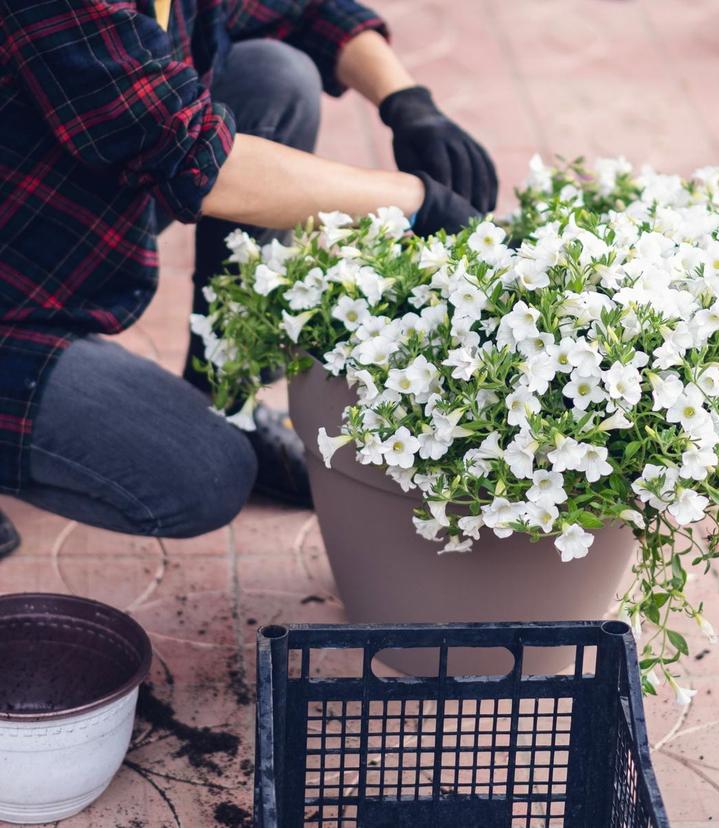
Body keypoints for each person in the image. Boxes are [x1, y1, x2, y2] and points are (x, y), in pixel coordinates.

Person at [0, 0, 497, 547]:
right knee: (201, 474)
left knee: (274, 76)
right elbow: (192, 158)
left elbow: (302, 9)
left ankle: (225, 391)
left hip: (32, 212)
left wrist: (407, 100)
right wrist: (417, 203)